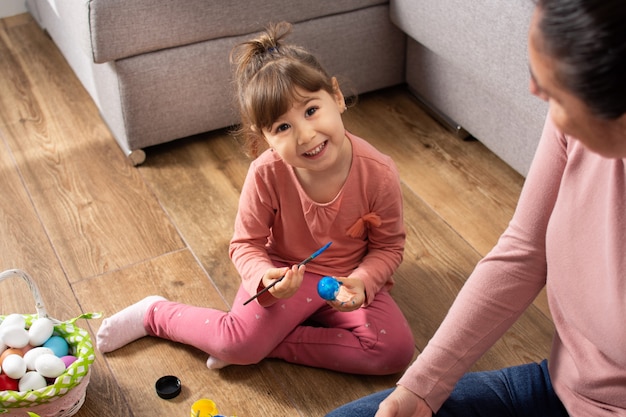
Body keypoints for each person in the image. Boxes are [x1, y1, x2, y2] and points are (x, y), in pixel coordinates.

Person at [326, 0, 626, 415]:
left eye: (555, 91)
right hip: (558, 388)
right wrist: (421, 389)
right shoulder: (574, 128)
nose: (534, 92)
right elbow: (523, 253)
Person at [95, 22, 415, 375]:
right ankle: (155, 314)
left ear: (336, 97)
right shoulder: (266, 172)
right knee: (238, 343)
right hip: (288, 281)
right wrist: (265, 278)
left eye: (311, 111)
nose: (306, 135)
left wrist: (364, 281)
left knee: (394, 351)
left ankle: (255, 345)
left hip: (346, 282)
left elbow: (388, 248)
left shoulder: (379, 173)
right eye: (282, 127)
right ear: (263, 136)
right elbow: (245, 244)